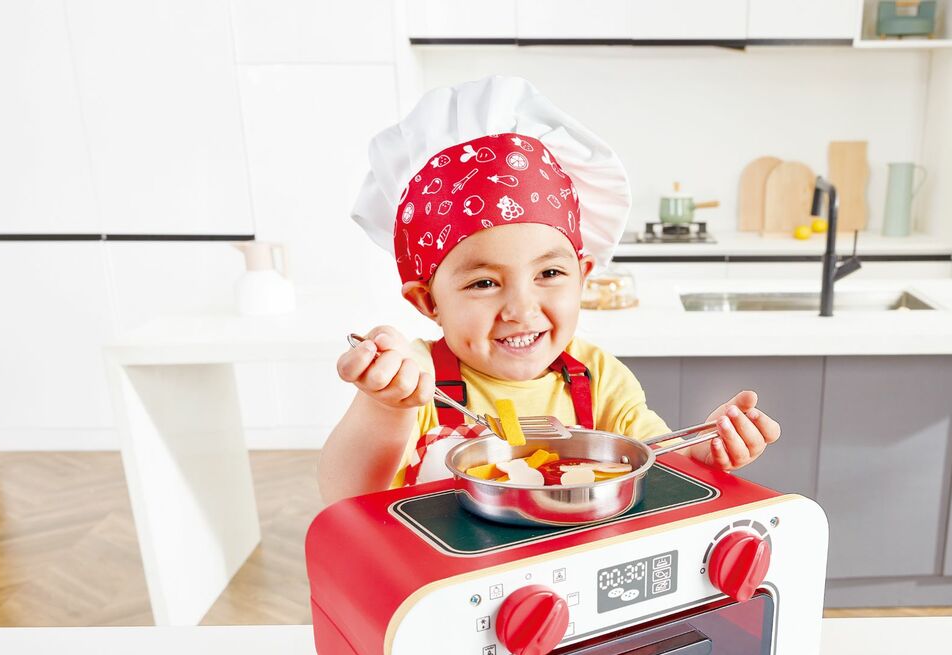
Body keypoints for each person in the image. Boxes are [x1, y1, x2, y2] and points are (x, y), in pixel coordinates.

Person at [318, 76, 780, 504]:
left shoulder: (599, 378)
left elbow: (652, 460)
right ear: (429, 301)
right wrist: (385, 408)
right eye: (484, 283)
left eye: (549, 274)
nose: (521, 309)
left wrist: (699, 453)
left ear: (582, 275)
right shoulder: (418, 380)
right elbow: (346, 497)